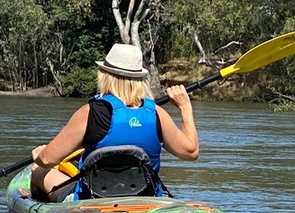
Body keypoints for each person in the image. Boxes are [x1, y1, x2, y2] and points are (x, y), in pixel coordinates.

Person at [30, 43, 199, 201]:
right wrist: (185, 107)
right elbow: (190, 152)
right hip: (145, 198)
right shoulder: (156, 114)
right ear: (139, 79)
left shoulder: (89, 113)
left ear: (105, 76)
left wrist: (39, 155)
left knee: (37, 171)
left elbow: (47, 160)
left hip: (92, 201)